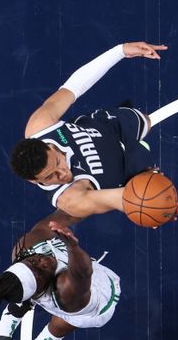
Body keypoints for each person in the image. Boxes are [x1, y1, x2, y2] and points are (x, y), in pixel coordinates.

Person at [9, 41, 168, 220]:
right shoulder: (72, 199)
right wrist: (154, 206)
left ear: (48, 146)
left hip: (108, 128)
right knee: (148, 175)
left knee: (146, 119)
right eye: (49, 177)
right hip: (126, 168)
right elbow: (126, 199)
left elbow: (74, 86)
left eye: (57, 163)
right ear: (34, 181)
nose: (62, 174)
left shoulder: (40, 125)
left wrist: (120, 51)